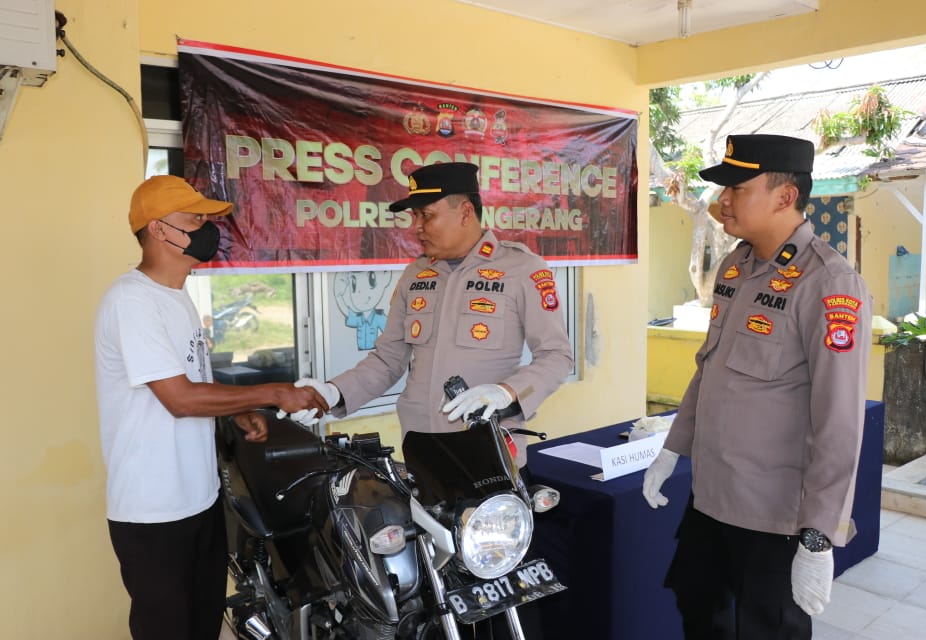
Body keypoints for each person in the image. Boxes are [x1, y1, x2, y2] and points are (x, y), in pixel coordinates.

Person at [296, 161, 573, 639]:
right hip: (423, 467)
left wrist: (506, 392)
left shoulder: (522, 269)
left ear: (465, 211)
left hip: (489, 466)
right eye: (413, 216)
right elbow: (387, 361)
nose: (416, 227)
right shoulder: (415, 275)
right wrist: (333, 393)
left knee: (501, 602)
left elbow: (557, 356)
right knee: (434, 600)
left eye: (426, 215)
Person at [641, 134, 872, 640]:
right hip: (712, 495)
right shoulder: (735, 267)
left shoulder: (829, 283)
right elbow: (711, 370)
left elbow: (839, 419)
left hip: (775, 515)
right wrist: (672, 449)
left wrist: (818, 534)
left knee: (768, 630)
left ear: (784, 197)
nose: (722, 199)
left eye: (736, 188)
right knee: (698, 605)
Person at [94, 174, 329, 640]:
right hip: (153, 511)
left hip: (198, 500)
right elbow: (179, 399)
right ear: (159, 229)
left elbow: (191, 381)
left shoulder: (176, 297)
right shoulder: (131, 301)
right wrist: (273, 392)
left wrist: (231, 409)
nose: (207, 228)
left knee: (202, 625)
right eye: (195, 218)